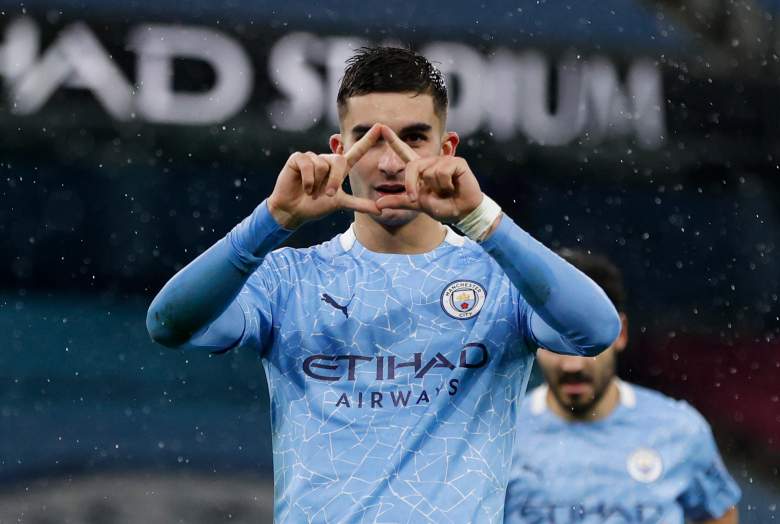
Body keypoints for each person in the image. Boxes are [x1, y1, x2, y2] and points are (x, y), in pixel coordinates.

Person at [146, 47, 620, 523]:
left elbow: (596, 331)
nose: (392, 163)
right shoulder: (287, 278)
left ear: (447, 150)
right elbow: (167, 324)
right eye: (369, 140)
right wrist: (271, 220)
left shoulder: (499, 279)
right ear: (338, 152)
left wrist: (482, 219)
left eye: (413, 138)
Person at [504, 249, 741, 524]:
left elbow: (718, 514)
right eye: (555, 345)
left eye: (586, 345)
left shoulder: (678, 429)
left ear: (621, 333)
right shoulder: (503, 433)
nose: (572, 365)